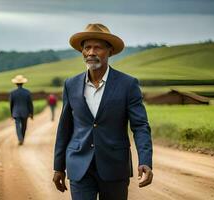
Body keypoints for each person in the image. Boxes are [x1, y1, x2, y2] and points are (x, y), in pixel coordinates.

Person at [53, 23, 153, 200]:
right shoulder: (71, 84)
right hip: (79, 165)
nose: (91, 52)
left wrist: (145, 161)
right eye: (87, 47)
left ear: (110, 51)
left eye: (97, 47)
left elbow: (140, 126)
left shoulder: (128, 84)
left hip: (114, 166)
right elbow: (65, 127)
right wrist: (58, 167)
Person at [9, 75, 33, 145]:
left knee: (17, 126)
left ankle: (20, 139)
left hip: (15, 112)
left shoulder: (12, 93)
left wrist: (11, 113)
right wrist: (31, 113)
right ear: (23, 83)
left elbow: (11, 104)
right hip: (25, 112)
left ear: (16, 84)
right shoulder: (27, 92)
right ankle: (22, 138)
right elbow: (30, 104)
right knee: (24, 126)